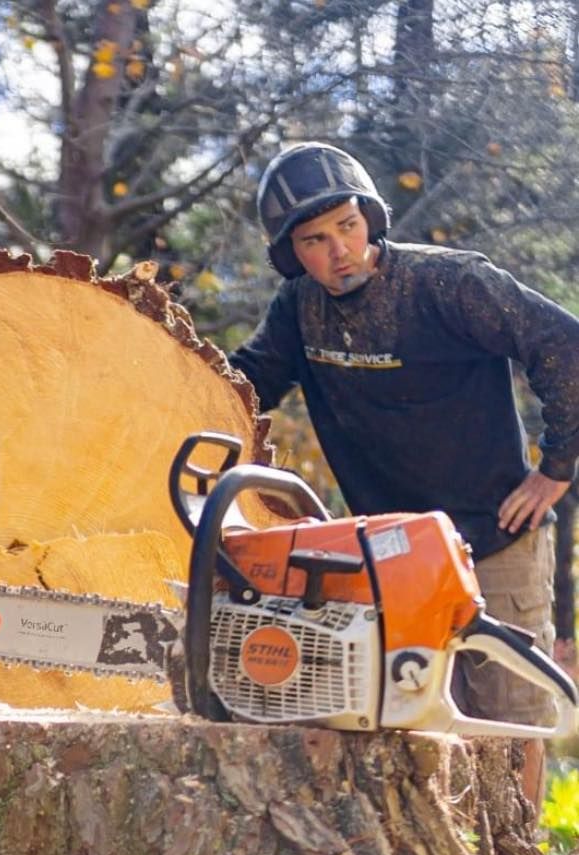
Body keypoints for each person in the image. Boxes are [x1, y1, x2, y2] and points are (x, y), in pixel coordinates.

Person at [228, 141, 579, 814]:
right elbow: (247, 385)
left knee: (510, 719)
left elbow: (562, 344)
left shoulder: (447, 284)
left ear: (370, 217)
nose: (339, 250)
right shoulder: (297, 311)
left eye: (348, 227)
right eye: (314, 239)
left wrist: (554, 469)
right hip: (389, 556)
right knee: (393, 720)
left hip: (494, 534)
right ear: (289, 252)